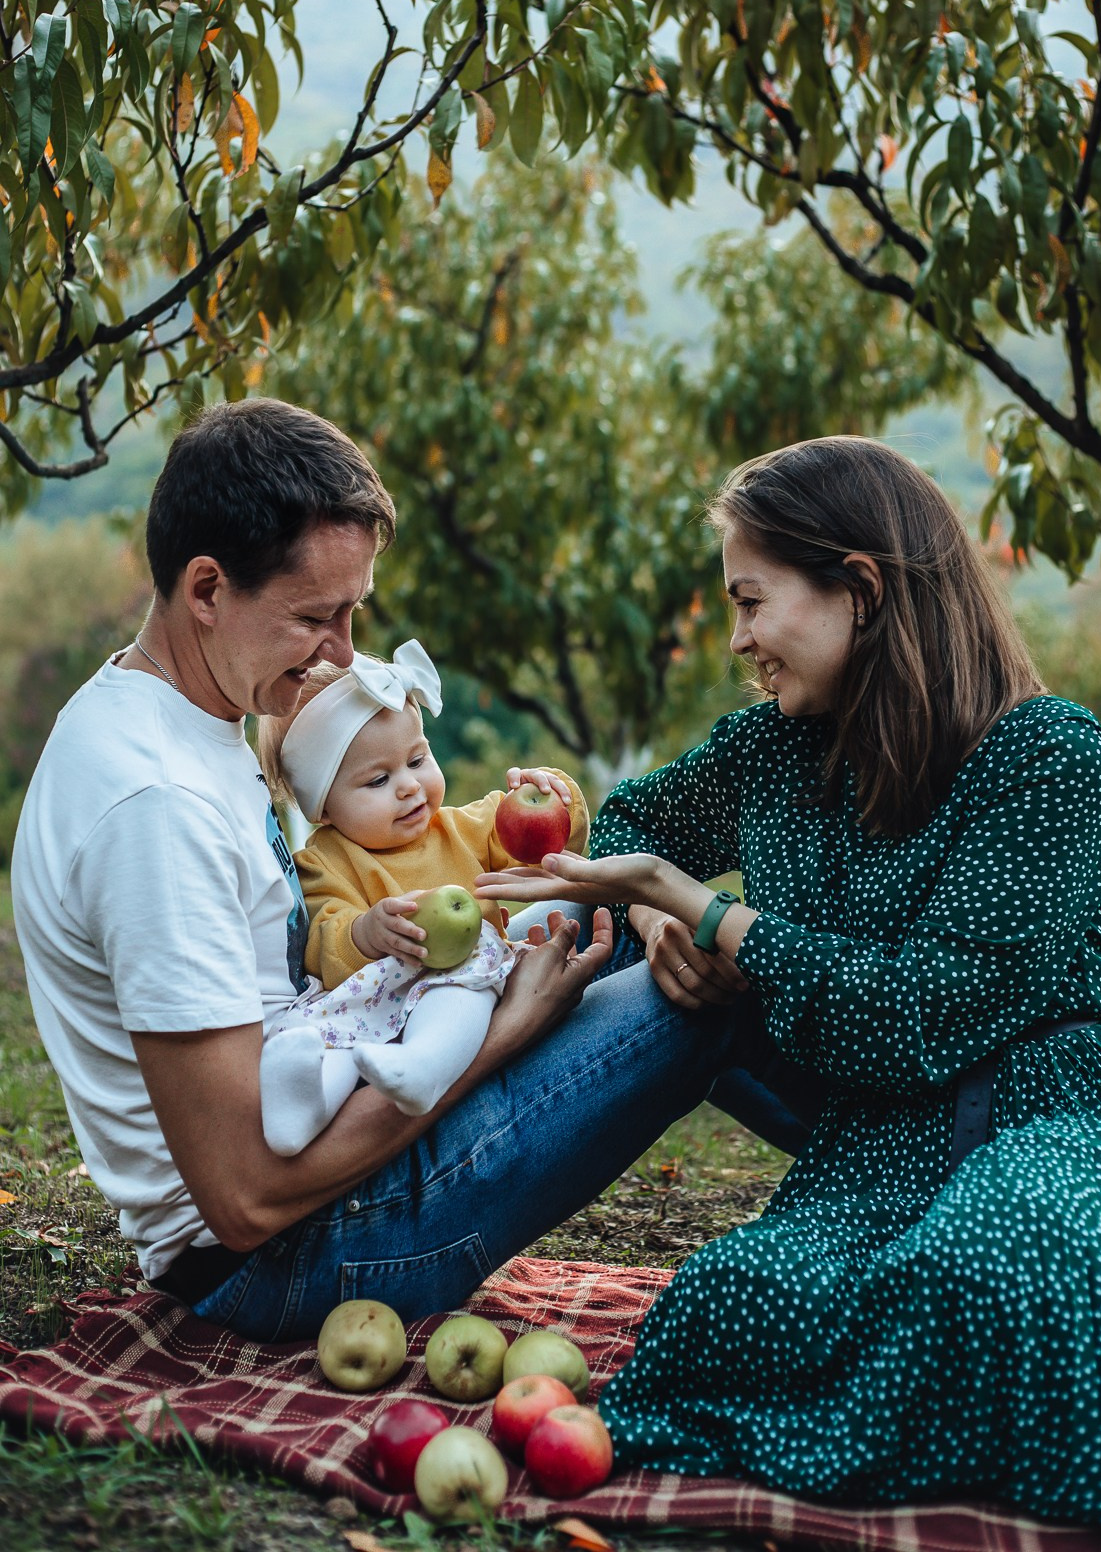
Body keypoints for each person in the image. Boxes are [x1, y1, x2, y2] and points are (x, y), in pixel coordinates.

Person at [479, 436, 1101, 1550]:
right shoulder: (774, 751)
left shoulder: (1044, 757)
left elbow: (925, 1015)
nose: (740, 641)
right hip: (874, 1135)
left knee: (1013, 1269)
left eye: (753, 602)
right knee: (725, 1307)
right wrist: (661, 913)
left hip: (1048, 1107)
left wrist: (715, 912)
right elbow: (631, 826)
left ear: (859, 590)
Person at [11, 398, 791, 1340]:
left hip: (339, 1135)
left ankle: (912, 1188)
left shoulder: (195, 714)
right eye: (314, 618)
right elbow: (245, 1201)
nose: (342, 656)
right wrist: (501, 1035)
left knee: (631, 931)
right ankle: (917, 1210)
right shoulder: (154, 811)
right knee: (710, 986)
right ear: (206, 589)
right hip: (293, 1258)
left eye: (353, 614)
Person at [253, 639, 588, 1151]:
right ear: (323, 805)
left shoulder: (459, 827)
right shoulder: (323, 861)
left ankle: (424, 1068)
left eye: (418, 759)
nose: (410, 787)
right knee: (331, 1034)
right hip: (370, 1000)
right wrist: (365, 933)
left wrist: (551, 795)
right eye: (379, 779)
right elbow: (321, 936)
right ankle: (304, 1107)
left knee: (459, 994)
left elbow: (539, 848)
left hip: (456, 979)